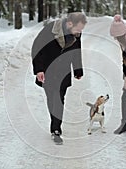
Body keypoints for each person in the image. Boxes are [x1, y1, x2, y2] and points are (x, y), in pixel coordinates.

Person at [31, 12, 87, 145]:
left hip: (63, 72)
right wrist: (39, 70)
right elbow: (37, 49)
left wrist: (78, 70)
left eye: (81, 30)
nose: (79, 32)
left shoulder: (76, 34)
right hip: (47, 71)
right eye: (78, 29)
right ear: (69, 24)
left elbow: (76, 51)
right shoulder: (50, 30)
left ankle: (56, 129)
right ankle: (54, 122)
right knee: (52, 99)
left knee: (59, 99)